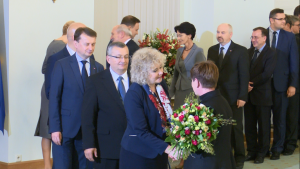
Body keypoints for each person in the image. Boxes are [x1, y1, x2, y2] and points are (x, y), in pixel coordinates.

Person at [49, 27, 104, 169]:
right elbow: (54, 98)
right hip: (65, 128)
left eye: (93, 44)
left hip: (87, 132)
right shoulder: (62, 65)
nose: (90, 48)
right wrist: (55, 128)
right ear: (76, 43)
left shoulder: (98, 68)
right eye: (87, 44)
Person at [119, 47, 178, 169]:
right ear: (142, 72)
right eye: (155, 70)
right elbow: (140, 130)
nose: (161, 72)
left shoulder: (161, 85)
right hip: (139, 155)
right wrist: (167, 148)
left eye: (161, 67)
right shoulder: (134, 93)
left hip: (159, 150)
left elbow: (166, 118)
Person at [81, 42, 130, 169]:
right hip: (106, 147)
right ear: (108, 59)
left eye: (126, 56)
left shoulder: (138, 80)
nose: (123, 60)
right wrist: (88, 144)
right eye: (118, 57)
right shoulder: (95, 81)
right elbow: (87, 116)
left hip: (134, 147)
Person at [207, 23, 249, 169]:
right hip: (216, 96)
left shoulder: (241, 51)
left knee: (235, 128)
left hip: (234, 97)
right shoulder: (212, 50)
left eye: (223, 32)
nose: (219, 34)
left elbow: (244, 75)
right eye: (218, 32)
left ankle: (239, 157)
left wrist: (243, 96)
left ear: (230, 34)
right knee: (218, 127)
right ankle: (223, 155)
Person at [34, 20, 74, 169]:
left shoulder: (53, 42)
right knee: (49, 127)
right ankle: (48, 165)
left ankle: (46, 165)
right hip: (54, 90)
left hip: (48, 88)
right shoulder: (61, 46)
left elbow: (44, 68)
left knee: (47, 128)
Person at [184, 61, 235, 169]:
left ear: (197, 82)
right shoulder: (223, 101)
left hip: (208, 164)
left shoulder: (205, 109)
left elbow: (200, 147)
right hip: (224, 161)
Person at [168, 21, 206, 169]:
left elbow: (202, 76)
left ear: (190, 35)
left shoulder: (198, 52)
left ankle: (188, 160)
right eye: (177, 35)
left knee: (190, 127)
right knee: (179, 126)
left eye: (181, 35)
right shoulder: (179, 51)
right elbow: (176, 74)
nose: (178, 38)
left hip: (192, 93)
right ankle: (181, 158)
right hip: (179, 93)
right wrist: (169, 93)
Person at [266, 8, 299, 160]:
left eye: (284, 19)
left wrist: (293, 84)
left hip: (282, 84)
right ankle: (263, 148)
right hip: (264, 85)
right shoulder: (262, 34)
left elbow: (294, 62)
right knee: (264, 119)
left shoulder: (289, 37)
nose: (284, 21)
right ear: (271, 20)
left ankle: (277, 148)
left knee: (280, 119)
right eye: (280, 19)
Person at [244, 27, 277, 164]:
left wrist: (250, 84)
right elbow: (243, 70)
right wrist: (245, 84)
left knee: (263, 126)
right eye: (252, 37)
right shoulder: (248, 52)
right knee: (250, 125)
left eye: (256, 37)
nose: (253, 40)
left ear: (264, 38)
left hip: (262, 95)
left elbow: (267, 74)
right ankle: (252, 151)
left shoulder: (271, 52)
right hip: (248, 95)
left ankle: (262, 152)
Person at [45, 22, 95, 99]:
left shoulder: (90, 56)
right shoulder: (56, 59)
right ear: (74, 37)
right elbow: (51, 93)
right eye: (84, 34)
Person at [283, 15, 300, 155]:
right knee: (282, 116)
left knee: (292, 116)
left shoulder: (297, 40)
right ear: (289, 25)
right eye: (298, 25)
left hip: (294, 84)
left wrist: (293, 84)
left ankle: (291, 143)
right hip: (280, 83)